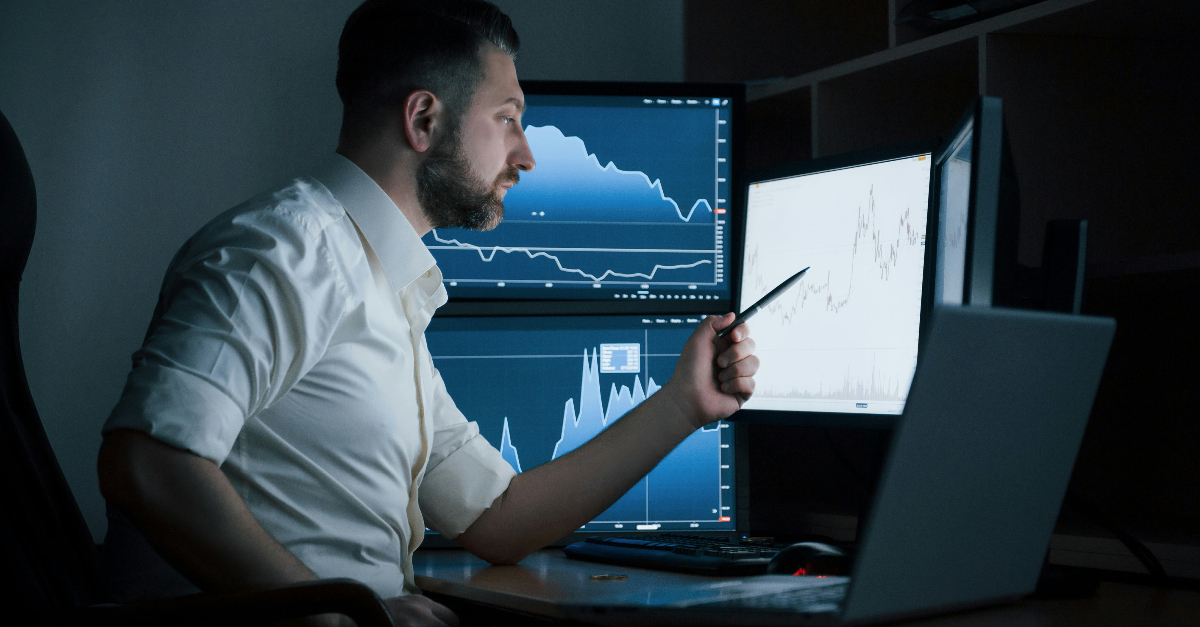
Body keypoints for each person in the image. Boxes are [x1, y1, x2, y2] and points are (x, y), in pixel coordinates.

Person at [96, 1, 758, 625]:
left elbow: (497, 518)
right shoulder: (283, 251)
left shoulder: (384, 289)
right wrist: (342, 615)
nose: (525, 154)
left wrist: (682, 406)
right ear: (423, 120)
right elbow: (148, 462)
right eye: (508, 117)